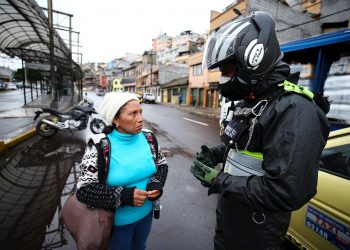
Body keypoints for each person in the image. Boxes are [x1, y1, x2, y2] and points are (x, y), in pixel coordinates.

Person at [190, 11, 330, 250]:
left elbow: (287, 191)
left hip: (256, 231)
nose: (223, 78)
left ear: (254, 59)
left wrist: (220, 181)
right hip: (231, 219)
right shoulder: (253, 100)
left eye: (227, 70)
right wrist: (215, 154)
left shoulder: (295, 110)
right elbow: (243, 145)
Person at [76, 91, 168, 250]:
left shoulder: (149, 138)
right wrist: (123, 195)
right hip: (116, 226)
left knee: (140, 246)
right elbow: (84, 190)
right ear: (116, 120)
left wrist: (156, 183)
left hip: (146, 216)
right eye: (133, 114)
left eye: (140, 112)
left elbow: (162, 165)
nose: (140, 118)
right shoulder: (99, 147)